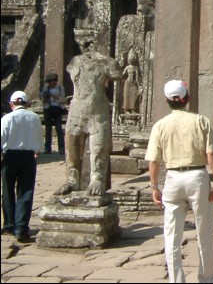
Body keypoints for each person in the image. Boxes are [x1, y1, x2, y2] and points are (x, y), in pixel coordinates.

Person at [146, 80, 213, 284]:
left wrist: (154, 187)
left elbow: (153, 160)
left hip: (172, 178)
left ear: (166, 101)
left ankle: (176, 280)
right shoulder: (200, 121)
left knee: (172, 237)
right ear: (187, 98)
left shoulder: (160, 125)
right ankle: (207, 279)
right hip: (197, 176)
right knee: (204, 231)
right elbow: (211, 152)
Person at [56, 42, 123, 196]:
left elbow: (117, 73)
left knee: (99, 148)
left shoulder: (106, 63)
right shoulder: (75, 61)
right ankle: (72, 179)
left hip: (97, 111)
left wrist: (104, 59)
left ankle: (97, 178)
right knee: (71, 148)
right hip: (76, 110)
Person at [1, 91, 44, 243]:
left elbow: (1, 138)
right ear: (25, 103)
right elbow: (39, 137)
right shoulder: (34, 117)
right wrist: (38, 149)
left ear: (11, 103)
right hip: (28, 157)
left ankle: (9, 225)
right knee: (25, 191)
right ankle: (21, 228)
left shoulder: (7, 118)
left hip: (10, 156)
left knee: (7, 190)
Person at [41, 72, 66, 154]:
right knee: (48, 130)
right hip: (48, 109)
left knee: (59, 129)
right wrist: (46, 97)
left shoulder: (60, 88)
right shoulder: (46, 88)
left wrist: (56, 98)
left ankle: (61, 148)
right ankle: (47, 148)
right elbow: (43, 99)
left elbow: (63, 100)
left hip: (57, 109)